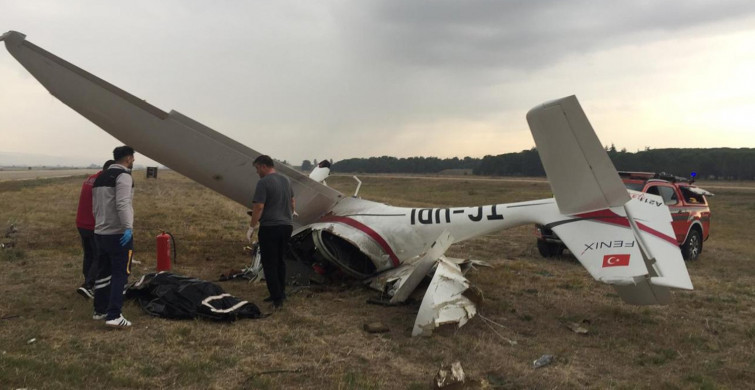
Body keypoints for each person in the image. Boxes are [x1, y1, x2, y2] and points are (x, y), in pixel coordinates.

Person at [92, 146, 136, 328]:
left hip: (100, 231)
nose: (133, 160)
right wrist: (128, 227)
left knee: (103, 272)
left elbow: (95, 205)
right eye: (132, 157)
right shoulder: (124, 176)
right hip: (117, 234)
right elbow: (123, 203)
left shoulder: (100, 177)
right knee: (120, 273)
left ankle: (99, 310)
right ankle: (114, 315)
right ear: (128, 158)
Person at [247, 155, 295, 308]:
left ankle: (277, 299)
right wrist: (288, 214)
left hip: (270, 227)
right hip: (287, 226)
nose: (257, 172)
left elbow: (259, 207)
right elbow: (292, 202)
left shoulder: (263, 182)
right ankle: (281, 292)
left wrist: (251, 227)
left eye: (257, 169)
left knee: (269, 263)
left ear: (263, 166)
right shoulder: (286, 180)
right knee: (281, 260)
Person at [75, 159, 114, 299]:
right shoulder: (103, 182)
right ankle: (89, 285)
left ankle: (87, 282)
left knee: (89, 255)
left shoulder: (90, 179)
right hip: (93, 224)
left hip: (81, 223)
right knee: (99, 255)